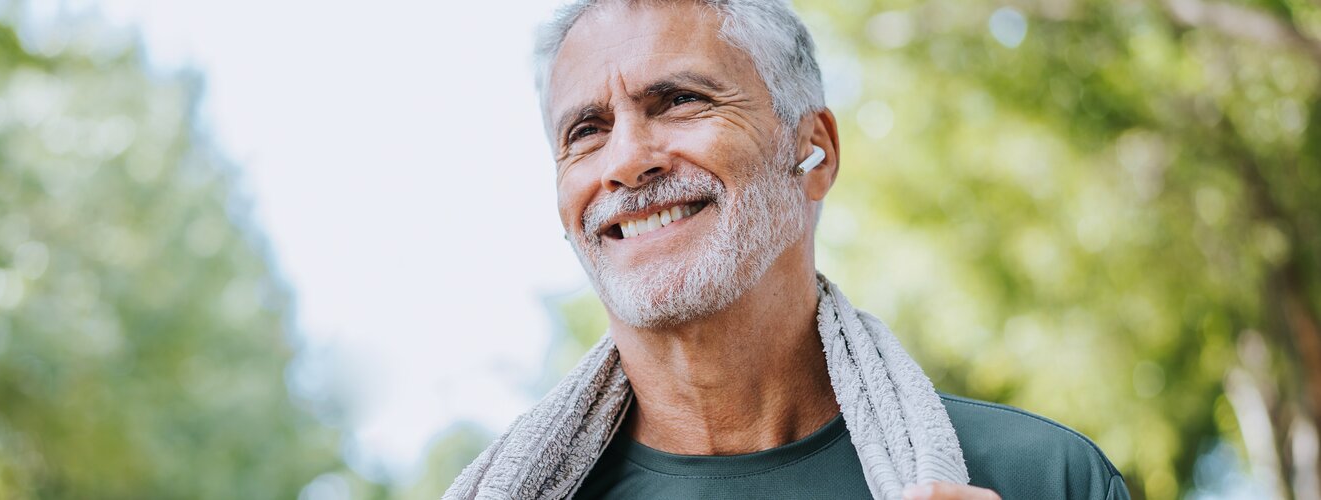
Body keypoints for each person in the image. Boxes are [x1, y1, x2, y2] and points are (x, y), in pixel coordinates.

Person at [448, 1, 1130, 498]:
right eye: (587, 131)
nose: (626, 161)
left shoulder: (1041, 477)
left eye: (680, 100)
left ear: (814, 151)